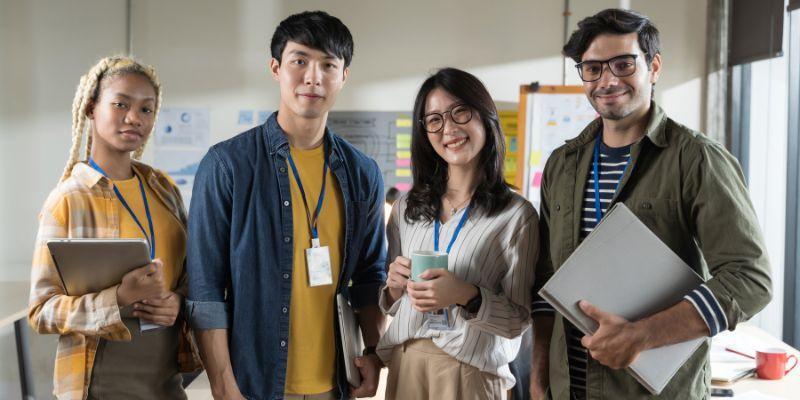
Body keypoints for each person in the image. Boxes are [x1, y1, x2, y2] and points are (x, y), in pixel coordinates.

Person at [529, 9, 772, 399]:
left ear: (653, 67)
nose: (607, 80)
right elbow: (545, 282)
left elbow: (750, 279)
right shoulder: (563, 164)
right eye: (592, 68)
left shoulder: (696, 159)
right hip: (568, 389)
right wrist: (539, 377)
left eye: (623, 64)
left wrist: (640, 336)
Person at [185, 11, 386, 400]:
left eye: (328, 64)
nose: (313, 77)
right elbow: (205, 290)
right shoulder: (228, 165)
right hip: (254, 385)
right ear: (276, 68)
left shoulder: (363, 173)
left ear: (343, 76)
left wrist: (374, 353)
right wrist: (224, 386)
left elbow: (369, 277)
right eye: (300, 61)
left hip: (335, 383)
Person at [28, 55, 202, 400]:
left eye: (146, 109)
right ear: (92, 108)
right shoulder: (69, 199)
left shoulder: (163, 188)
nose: (134, 118)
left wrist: (178, 303)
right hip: (99, 384)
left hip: (167, 382)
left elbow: (188, 277)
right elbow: (41, 311)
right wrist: (119, 299)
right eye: (121, 104)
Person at [376, 68, 540, 400]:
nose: (448, 128)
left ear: (485, 116)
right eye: (434, 120)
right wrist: (393, 289)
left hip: (471, 375)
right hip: (406, 366)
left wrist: (468, 294)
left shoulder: (515, 215)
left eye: (459, 112)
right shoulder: (407, 208)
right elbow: (394, 304)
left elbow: (518, 320)